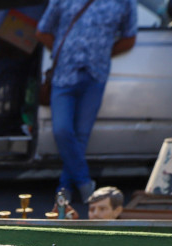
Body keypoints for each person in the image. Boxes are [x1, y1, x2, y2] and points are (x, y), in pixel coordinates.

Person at [36, 0, 137, 204]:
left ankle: (64, 188)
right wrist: (62, 51)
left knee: (81, 135)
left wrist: (101, 54)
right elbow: (42, 31)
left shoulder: (125, 2)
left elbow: (129, 38)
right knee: (62, 130)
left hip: (95, 76)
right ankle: (84, 183)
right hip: (64, 75)